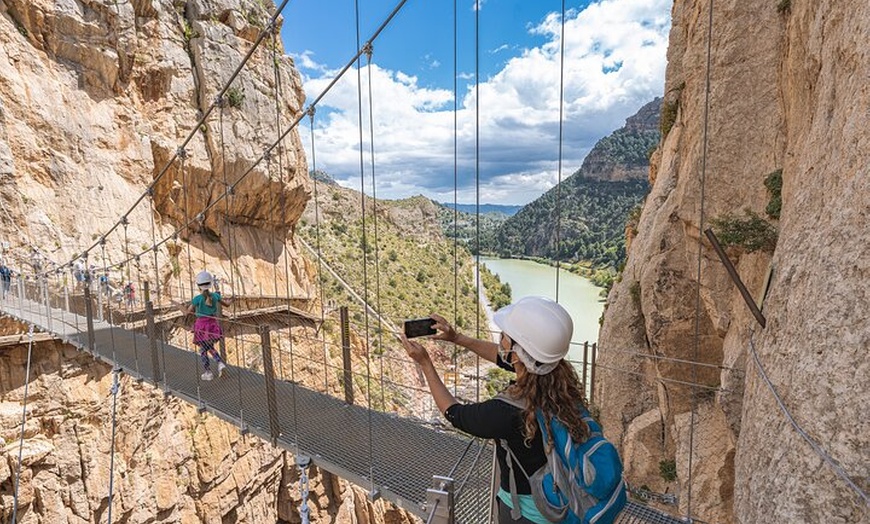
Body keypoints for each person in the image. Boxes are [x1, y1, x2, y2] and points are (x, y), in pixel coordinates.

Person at [400, 296, 590, 523]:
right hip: (567, 497)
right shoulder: (559, 383)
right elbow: (504, 358)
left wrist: (425, 365)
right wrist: (457, 338)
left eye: (504, 337)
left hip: (528, 514)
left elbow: (456, 414)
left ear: (518, 354)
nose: (500, 340)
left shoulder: (507, 412)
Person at [186, 270, 230, 381]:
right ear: (210, 284)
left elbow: (188, 311)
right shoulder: (215, 296)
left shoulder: (197, 299)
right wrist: (232, 300)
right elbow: (227, 305)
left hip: (201, 326)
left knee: (203, 349)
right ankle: (219, 363)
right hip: (212, 325)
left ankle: (208, 372)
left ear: (198, 285)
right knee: (209, 346)